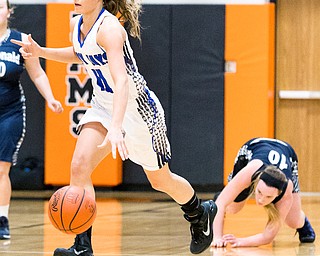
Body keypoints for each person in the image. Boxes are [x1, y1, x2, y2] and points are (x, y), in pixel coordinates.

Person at [12, 0, 217, 255]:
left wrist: (117, 126)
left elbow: (121, 82)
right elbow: (79, 53)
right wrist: (42, 52)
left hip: (137, 110)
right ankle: (82, 248)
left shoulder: (110, 29)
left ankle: (199, 213)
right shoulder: (76, 24)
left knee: (160, 180)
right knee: (79, 166)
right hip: (102, 105)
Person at [0, 0, 63, 241]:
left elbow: (37, 73)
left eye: (0, 6)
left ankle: (2, 219)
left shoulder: (20, 41)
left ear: (9, 11)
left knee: (1, 168)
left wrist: (50, 98)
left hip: (10, 113)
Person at [211, 137, 316, 248]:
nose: (261, 200)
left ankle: (304, 225)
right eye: (259, 192)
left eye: (269, 197)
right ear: (256, 182)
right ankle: (226, 194)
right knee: (232, 207)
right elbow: (220, 204)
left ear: (278, 195)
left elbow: (268, 237)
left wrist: (241, 242)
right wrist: (217, 237)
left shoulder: (286, 193)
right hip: (252, 148)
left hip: (287, 152)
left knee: (293, 221)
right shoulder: (249, 172)